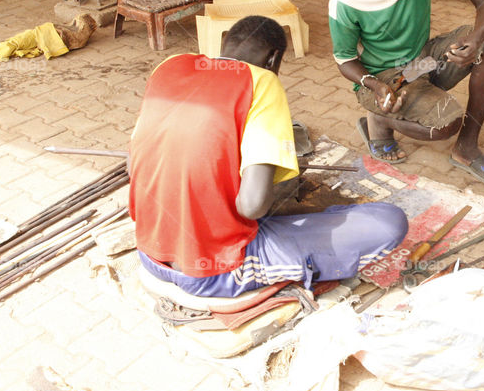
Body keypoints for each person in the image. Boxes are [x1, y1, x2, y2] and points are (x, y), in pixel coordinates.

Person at [129, 16, 408, 297]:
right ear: (274, 59)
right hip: (214, 269)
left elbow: (134, 166)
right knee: (387, 222)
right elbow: (252, 207)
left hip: (150, 251)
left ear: (224, 43)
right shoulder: (261, 82)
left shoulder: (170, 66)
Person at [328, 0, 484, 189]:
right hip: (384, 77)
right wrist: (376, 85)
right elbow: (344, 60)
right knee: (445, 125)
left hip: (423, 60)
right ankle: (379, 117)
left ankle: (467, 148)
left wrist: (474, 41)